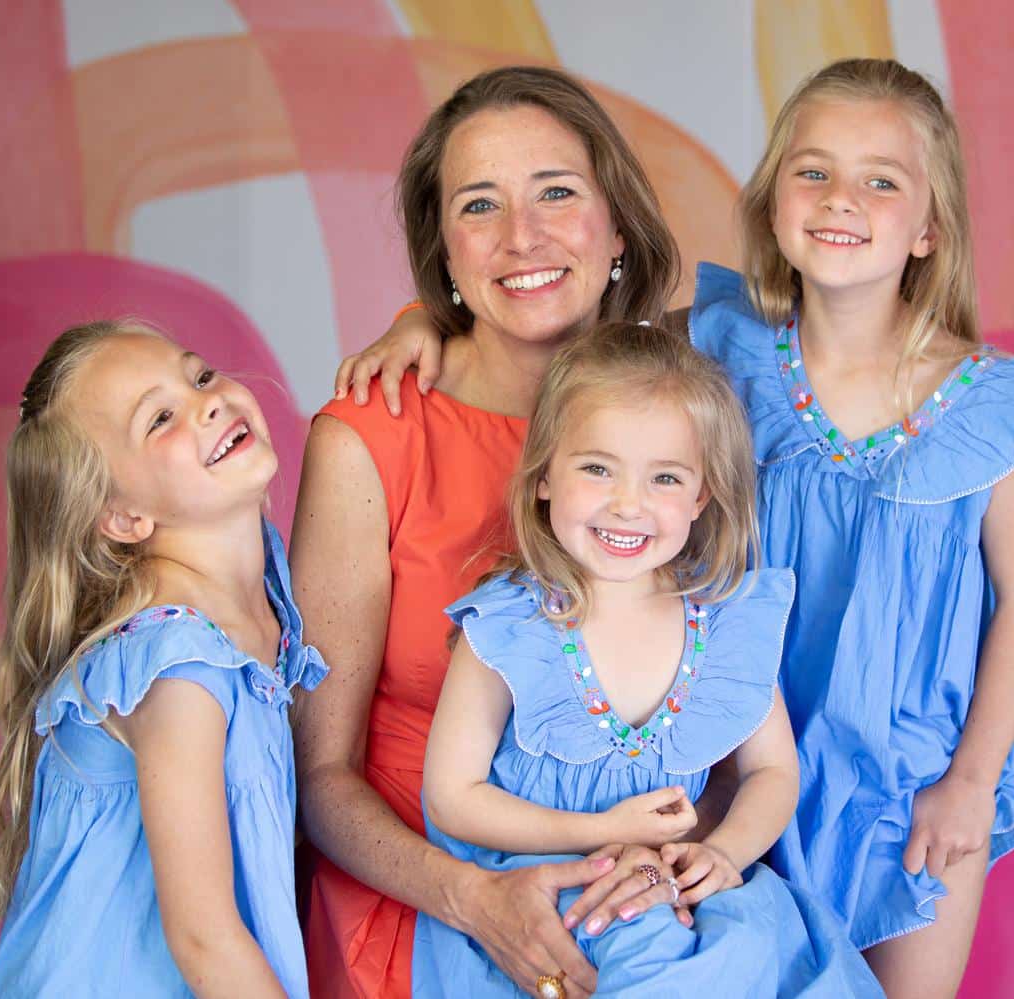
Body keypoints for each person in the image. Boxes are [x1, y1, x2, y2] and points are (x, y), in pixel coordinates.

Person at [337, 57, 1014, 999]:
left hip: (903, 772)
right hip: (726, 760)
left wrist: (973, 778)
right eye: (812, 172)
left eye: (881, 180)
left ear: (932, 224)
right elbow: (578, 343)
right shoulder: (719, 347)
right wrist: (427, 323)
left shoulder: (986, 407)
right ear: (773, 200)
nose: (840, 198)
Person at [288, 66, 689, 999]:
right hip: (426, 902)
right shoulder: (370, 436)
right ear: (446, 253)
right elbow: (318, 774)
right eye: (480, 206)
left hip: (625, 895)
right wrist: (480, 899)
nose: (523, 238)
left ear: (618, 224)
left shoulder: (683, 407)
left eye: (557, 191)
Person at [415, 321, 884, 997]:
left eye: (664, 477)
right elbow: (452, 797)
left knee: (762, 953)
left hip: (679, 890)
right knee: (645, 949)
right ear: (545, 472)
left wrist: (723, 854)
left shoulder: (725, 621)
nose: (628, 504)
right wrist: (601, 831)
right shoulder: (509, 625)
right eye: (597, 468)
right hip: (545, 895)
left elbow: (773, 770)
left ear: (701, 495)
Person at [0, 321, 325, 997]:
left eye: (200, 375)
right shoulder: (176, 667)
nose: (207, 402)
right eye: (160, 418)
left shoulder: (268, 590)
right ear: (123, 516)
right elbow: (203, 938)